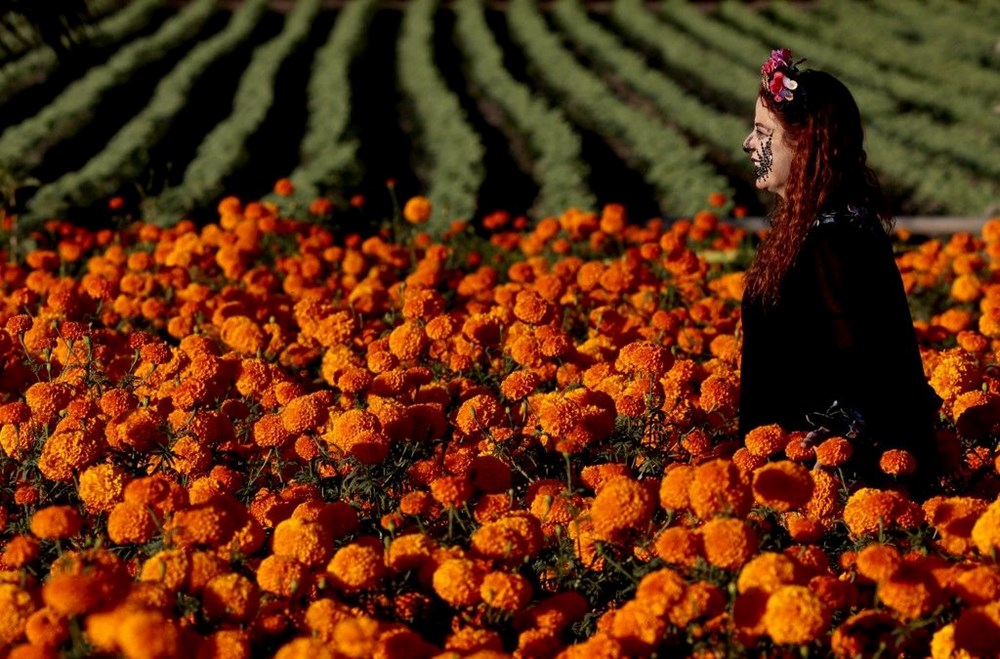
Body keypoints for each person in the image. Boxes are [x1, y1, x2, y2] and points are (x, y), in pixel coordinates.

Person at [737, 49, 942, 492]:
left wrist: (827, 446)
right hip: (793, 470)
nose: (748, 144)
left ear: (804, 142)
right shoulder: (816, 227)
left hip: (827, 483)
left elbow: (860, 367)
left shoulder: (836, 240)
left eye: (761, 132)